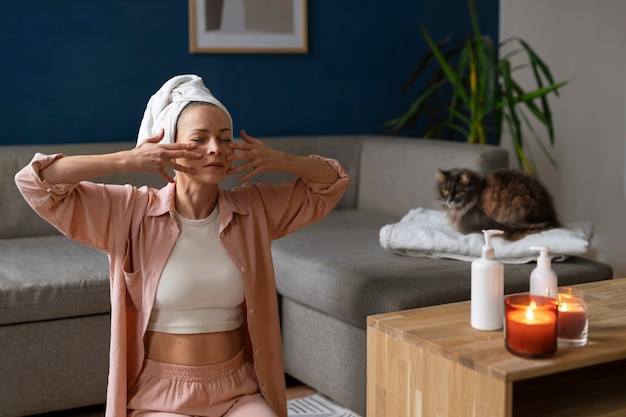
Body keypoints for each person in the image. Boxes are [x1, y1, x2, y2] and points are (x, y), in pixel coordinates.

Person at [15, 74, 350, 417]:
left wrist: (281, 160)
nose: (215, 148)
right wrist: (127, 160)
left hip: (236, 390)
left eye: (224, 138)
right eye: (199, 139)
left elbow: (331, 183)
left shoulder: (254, 209)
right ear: (168, 147)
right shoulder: (131, 211)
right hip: (160, 394)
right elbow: (35, 182)